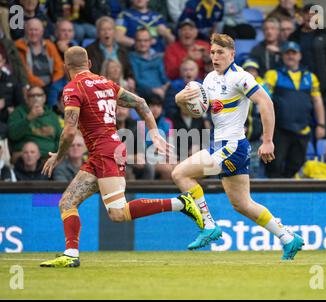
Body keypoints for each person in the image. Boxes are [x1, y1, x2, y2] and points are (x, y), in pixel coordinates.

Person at [39, 46, 203, 268]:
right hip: (102, 153)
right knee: (67, 202)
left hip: (106, 152)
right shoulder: (106, 84)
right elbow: (142, 103)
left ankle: (180, 203)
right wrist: (155, 134)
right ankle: (70, 254)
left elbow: (69, 131)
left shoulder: (72, 88)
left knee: (118, 213)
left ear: (67, 67)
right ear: (89, 64)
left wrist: (59, 155)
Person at [172, 33, 304, 260]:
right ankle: (288, 238)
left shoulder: (240, 77)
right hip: (223, 146)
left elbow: (265, 102)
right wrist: (180, 99)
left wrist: (267, 140)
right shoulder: (209, 80)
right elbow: (197, 110)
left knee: (180, 173)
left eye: (220, 52)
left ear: (232, 54)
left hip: (231, 146)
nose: (215, 56)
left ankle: (208, 225)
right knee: (242, 204)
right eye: (212, 52)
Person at [264, 41, 326, 178]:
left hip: (302, 130)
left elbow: (317, 101)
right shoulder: (273, 75)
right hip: (280, 130)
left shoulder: (310, 77)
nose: (290, 56)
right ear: (282, 56)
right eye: (287, 53)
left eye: (294, 53)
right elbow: (264, 101)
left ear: (300, 56)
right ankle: (273, 198)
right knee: (274, 166)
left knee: (296, 166)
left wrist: (321, 124)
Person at [289, 3, 326, 138]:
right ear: (302, 16)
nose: (310, 17)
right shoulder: (294, 36)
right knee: (303, 123)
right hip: (301, 87)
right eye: (307, 14)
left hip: (324, 87)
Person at [8, 86, 62, 161]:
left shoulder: (52, 115)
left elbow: (60, 139)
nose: (36, 98)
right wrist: (29, 118)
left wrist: (54, 154)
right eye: (32, 96)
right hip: (25, 157)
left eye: (39, 95)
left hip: (47, 158)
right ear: (27, 99)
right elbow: (13, 135)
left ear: (44, 98)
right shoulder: (18, 112)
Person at [15, 18, 65, 93]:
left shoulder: (49, 45)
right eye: (30, 30)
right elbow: (23, 72)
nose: (33, 33)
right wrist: (40, 84)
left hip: (51, 84)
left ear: (42, 32)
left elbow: (59, 66)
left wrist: (54, 82)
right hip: (31, 84)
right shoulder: (19, 46)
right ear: (25, 31)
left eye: (36, 30)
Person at [129, 28, 169, 99]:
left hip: (161, 90)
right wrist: (153, 90)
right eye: (139, 40)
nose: (142, 43)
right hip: (144, 92)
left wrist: (166, 85)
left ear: (151, 41)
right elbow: (137, 80)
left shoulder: (158, 57)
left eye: (146, 40)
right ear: (135, 42)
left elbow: (163, 76)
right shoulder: (131, 58)